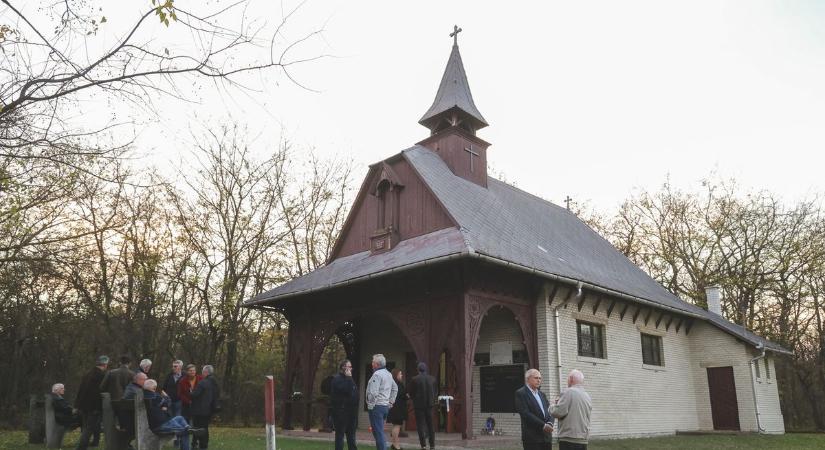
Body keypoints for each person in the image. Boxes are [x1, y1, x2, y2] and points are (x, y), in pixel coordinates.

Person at [143, 379, 193, 450]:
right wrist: (165, 395)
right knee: (185, 432)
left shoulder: (143, 395)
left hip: (157, 423)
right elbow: (168, 402)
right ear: (154, 388)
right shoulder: (154, 396)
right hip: (160, 425)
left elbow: (165, 405)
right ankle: (188, 429)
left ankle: (188, 427)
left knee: (179, 417)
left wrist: (164, 405)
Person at [549, 370, 592, 450]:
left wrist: (552, 406)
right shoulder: (587, 396)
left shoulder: (568, 392)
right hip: (583, 439)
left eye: (568, 378)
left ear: (571, 379)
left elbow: (558, 412)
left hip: (569, 438)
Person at [74, 355, 108, 449]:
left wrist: (77, 405)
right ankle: (81, 447)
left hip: (83, 405)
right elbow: (104, 390)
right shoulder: (102, 375)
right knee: (89, 428)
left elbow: (80, 390)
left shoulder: (87, 374)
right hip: (95, 406)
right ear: (105, 365)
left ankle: (94, 443)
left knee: (87, 426)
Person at [515, 369, 553, 450]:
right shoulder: (521, 393)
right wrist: (543, 425)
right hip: (532, 438)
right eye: (536, 378)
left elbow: (550, 410)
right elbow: (525, 413)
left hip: (546, 437)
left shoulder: (542, 394)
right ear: (528, 379)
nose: (539, 380)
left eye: (540, 378)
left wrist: (550, 423)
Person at [366, 354, 397, 450]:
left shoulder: (377, 374)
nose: (372, 364)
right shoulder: (388, 374)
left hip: (377, 407)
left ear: (377, 364)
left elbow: (373, 392)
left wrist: (370, 406)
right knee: (379, 432)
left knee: (378, 433)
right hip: (385, 407)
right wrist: (391, 402)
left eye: (373, 362)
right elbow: (395, 388)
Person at [330, 359, 359, 450]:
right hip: (341, 412)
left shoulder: (349, 379)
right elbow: (347, 390)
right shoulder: (337, 379)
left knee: (351, 436)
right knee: (340, 436)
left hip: (352, 412)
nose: (351, 369)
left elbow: (354, 392)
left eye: (351, 367)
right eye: (349, 366)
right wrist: (349, 378)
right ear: (343, 367)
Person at [190, 365, 220, 450]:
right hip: (210, 409)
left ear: (206, 372)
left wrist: (191, 392)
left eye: (203, 372)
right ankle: (204, 445)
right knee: (205, 427)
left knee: (197, 428)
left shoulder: (203, 382)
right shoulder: (215, 383)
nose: (202, 373)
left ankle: (196, 444)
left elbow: (195, 394)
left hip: (200, 410)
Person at [408, 362, 436, 450]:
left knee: (420, 425)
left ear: (418, 369)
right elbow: (435, 392)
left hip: (419, 406)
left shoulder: (414, 379)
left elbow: (411, 392)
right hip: (430, 405)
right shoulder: (432, 379)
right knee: (431, 425)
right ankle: (432, 445)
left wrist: (413, 398)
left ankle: (423, 445)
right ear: (426, 369)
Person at [387, 368, 408, 450]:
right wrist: (406, 396)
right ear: (396, 375)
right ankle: (396, 445)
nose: (401, 375)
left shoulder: (394, 383)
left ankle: (395, 444)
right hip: (397, 408)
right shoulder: (397, 384)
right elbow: (401, 395)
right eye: (400, 374)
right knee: (397, 426)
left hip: (395, 408)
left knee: (396, 426)